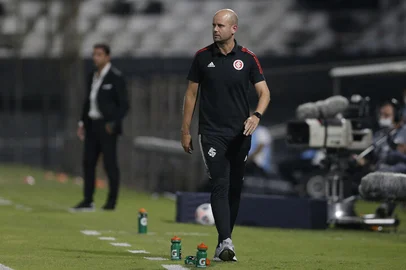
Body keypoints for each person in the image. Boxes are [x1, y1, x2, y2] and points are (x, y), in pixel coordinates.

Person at [180, 9, 270, 262]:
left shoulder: (248, 59)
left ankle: (222, 243)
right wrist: (185, 130)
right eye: (213, 25)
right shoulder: (201, 58)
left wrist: (256, 116)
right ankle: (227, 241)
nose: (215, 29)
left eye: (220, 25)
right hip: (211, 133)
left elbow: (264, 93)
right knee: (220, 183)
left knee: (235, 187)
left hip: (240, 134)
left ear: (234, 29)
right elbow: (190, 95)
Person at [72, 43, 129, 211]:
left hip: (107, 127)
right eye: (94, 54)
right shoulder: (92, 76)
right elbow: (88, 101)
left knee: (110, 164)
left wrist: (113, 123)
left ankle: (111, 202)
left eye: (99, 54)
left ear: (107, 57)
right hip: (92, 125)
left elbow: (124, 105)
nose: (95, 58)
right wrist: (82, 122)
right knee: (88, 162)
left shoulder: (116, 77)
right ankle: (88, 200)